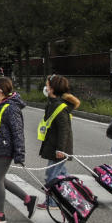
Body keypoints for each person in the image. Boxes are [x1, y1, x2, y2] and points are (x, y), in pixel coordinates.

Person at [0, 76, 38, 223]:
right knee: (1, 179)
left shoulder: (11, 108)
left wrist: (20, 153)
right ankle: (28, 199)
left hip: (6, 148)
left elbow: (18, 132)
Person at [36, 75, 80, 211]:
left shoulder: (59, 107)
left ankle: (54, 202)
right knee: (62, 175)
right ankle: (73, 198)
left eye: (47, 85)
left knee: (52, 175)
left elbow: (64, 130)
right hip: (53, 146)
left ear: (53, 88)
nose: (45, 87)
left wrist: (61, 149)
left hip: (58, 149)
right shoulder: (53, 103)